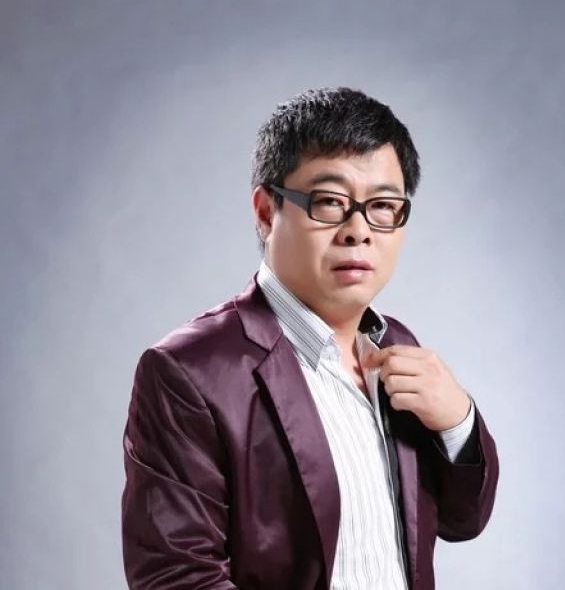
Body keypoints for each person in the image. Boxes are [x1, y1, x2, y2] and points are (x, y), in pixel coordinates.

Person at [121, 87, 499, 590]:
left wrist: (457, 421)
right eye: (329, 202)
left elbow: (462, 520)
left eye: (383, 206)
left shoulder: (397, 346)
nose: (359, 231)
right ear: (265, 211)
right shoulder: (189, 372)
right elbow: (176, 575)